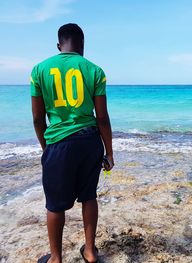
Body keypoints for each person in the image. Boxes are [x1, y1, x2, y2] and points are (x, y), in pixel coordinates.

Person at [31, 23, 114, 263]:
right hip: (90, 141)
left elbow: (37, 118)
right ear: (83, 45)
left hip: (58, 143)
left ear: (59, 45)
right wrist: (109, 152)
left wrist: (46, 148)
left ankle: (55, 258)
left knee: (55, 205)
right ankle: (89, 251)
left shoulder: (39, 70)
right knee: (89, 196)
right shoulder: (95, 70)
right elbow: (103, 118)